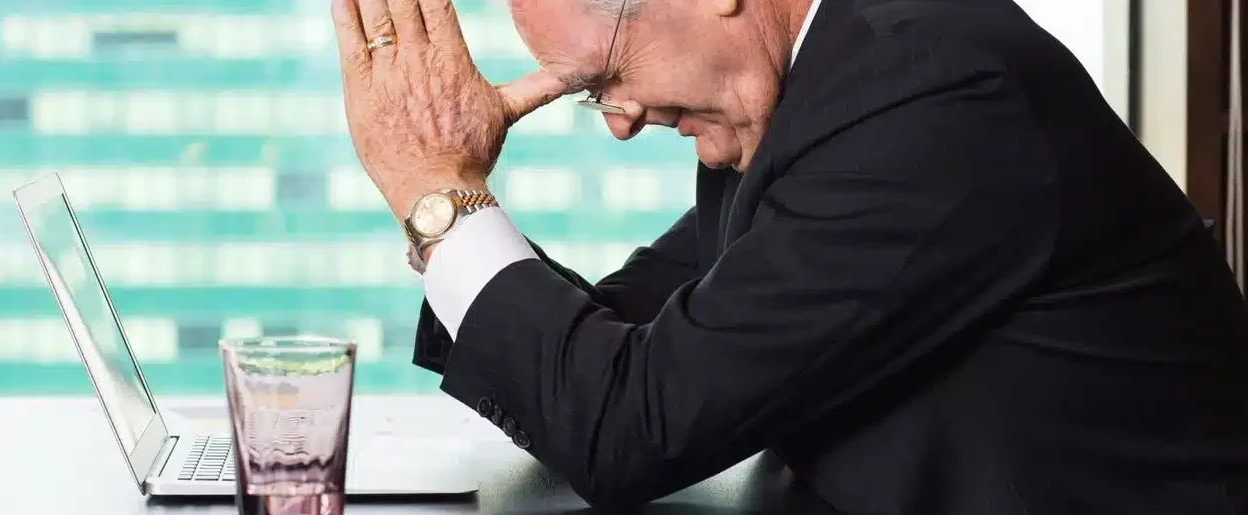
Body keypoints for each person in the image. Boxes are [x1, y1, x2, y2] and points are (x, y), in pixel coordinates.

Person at [329, 0, 1248, 512]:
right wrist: (442, 209)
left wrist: (440, 198)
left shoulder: (925, 97)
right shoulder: (810, 96)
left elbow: (626, 424)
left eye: (605, 78)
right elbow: (622, 349)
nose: (617, 122)